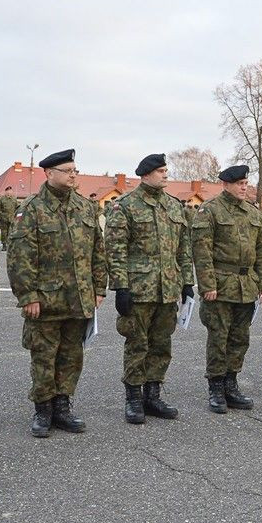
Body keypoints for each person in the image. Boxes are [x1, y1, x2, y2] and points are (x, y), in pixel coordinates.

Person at [8, 149, 106, 437]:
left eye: (75, 170)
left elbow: (97, 252)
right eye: (67, 170)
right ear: (49, 174)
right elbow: (19, 257)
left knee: (72, 355)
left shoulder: (86, 208)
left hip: (78, 298)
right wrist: (28, 296)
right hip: (46, 300)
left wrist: (99, 288)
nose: (73, 175)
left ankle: (63, 406)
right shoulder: (33, 208)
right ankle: (43, 409)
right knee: (44, 355)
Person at [105, 153, 193, 424]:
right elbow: (115, 249)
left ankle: (152, 395)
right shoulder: (125, 205)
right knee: (137, 344)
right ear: (146, 175)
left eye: (166, 170)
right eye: (161, 171)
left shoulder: (174, 206)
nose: (166, 175)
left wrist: (187, 281)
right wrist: (120, 286)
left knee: (161, 344)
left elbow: (183, 248)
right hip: (139, 289)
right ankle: (133, 399)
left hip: (168, 288)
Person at [191, 165, 262, 413]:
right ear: (226, 184)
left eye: (246, 184)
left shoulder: (253, 213)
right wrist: (207, 284)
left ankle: (231, 383)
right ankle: (216, 387)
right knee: (219, 337)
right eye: (239, 184)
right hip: (221, 283)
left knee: (240, 338)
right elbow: (201, 251)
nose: (244, 187)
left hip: (246, 285)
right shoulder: (210, 210)